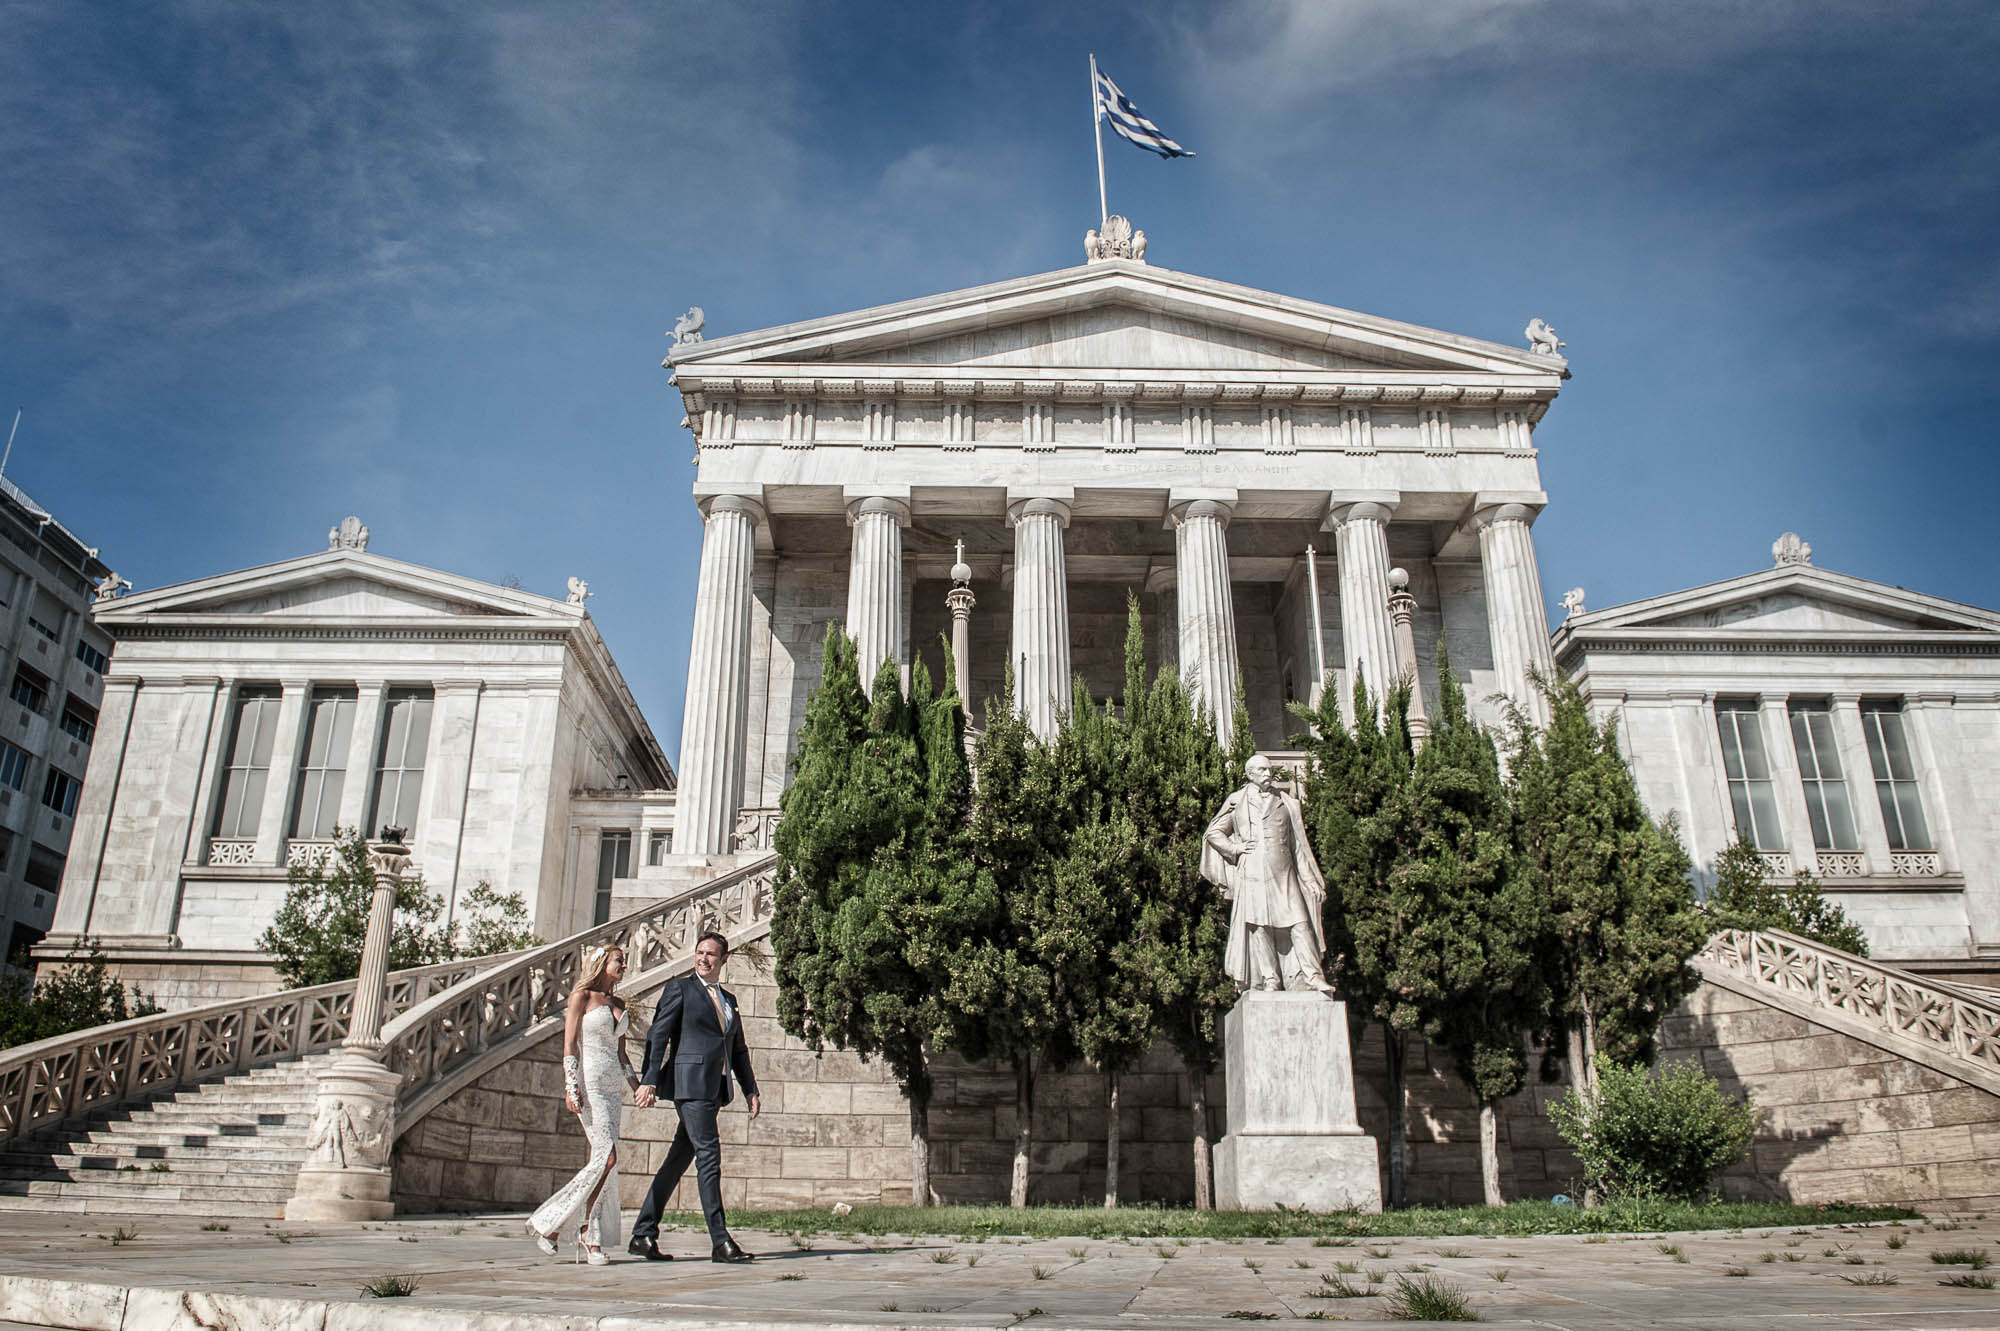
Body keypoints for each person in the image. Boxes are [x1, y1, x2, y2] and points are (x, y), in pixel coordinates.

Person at [628, 930, 761, 1264]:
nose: (703, 958)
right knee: (709, 1156)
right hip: (690, 1086)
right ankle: (720, 1241)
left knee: (678, 1159)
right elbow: (658, 1035)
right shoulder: (680, 989)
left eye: (711, 954)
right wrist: (649, 1079)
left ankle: (643, 1234)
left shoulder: (728, 999)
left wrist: (750, 1089)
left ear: (723, 959)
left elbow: (738, 1048)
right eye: (700, 953)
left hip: (715, 1088)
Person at [526, 944, 639, 1264]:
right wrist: (570, 1085)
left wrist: (637, 1085)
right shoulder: (582, 997)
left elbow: (622, 1055)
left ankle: (592, 1236)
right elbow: (570, 1044)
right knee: (608, 1157)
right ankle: (554, 1223)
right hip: (589, 1085)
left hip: (612, 1085)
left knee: (606, 1161)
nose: (624, 965)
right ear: (602, 963)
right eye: (619, 960)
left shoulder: (618, 1002)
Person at [1202, 753, 1336, 994]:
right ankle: (1269, 979)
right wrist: (1235, 848)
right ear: (1249, 774)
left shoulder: (1285, 801)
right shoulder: (1237, 800)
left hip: (1285, 874)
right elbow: (1213, 832)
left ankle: (1312, 976)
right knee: (1259, 927)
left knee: (1300, 924)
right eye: (1262, 770)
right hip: (1252, 872)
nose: (1268, 774)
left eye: (1269, 769)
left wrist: (1309, 880)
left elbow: (1298, 847)